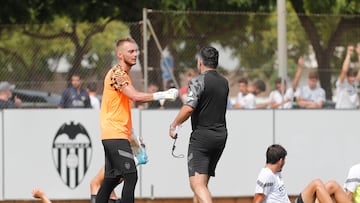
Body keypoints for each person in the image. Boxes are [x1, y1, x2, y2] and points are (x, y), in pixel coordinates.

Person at [96, 37, 178, 203]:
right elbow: (135, 97)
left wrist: (132, 137)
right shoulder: (117, 74)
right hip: (115, 135)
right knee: (131, 176)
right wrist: (163, 94)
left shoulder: (122, 74)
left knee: (111, 180)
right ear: (120, 54)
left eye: (136, 51)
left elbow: (121, 109)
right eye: (131, 51)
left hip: (116, 134)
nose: (135, 55)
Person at [169, 46, 229, 203]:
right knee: (202, 184)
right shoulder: (224, 82)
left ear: (200, 62)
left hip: (202, 137)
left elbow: (189, 108)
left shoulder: (198, 81)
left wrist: (174, 124)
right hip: (220, 136)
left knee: (196, 185)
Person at [254, 144, 351, 203]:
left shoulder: (275, 172)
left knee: (332, 185)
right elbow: (257, 201)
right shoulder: (266, 175)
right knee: (317, 183)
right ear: (280, 161)